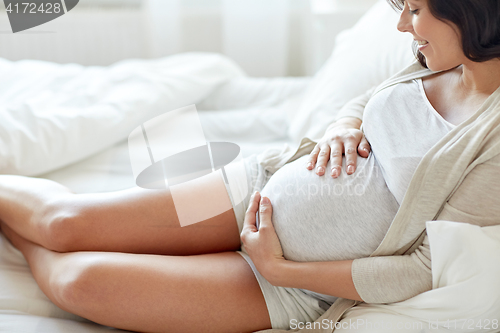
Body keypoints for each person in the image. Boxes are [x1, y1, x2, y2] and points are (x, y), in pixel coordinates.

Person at [1, 0, 500, 332]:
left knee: (80, 282)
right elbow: (364, 102)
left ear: (471, 13)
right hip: (254, 187)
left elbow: (425, 268)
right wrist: (341, 128)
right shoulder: (432, 57)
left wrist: (277, 268)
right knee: (64, 223)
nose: (401, 24)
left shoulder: (493, 138)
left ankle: (10, 229)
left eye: (414, 9)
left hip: (288, 282)